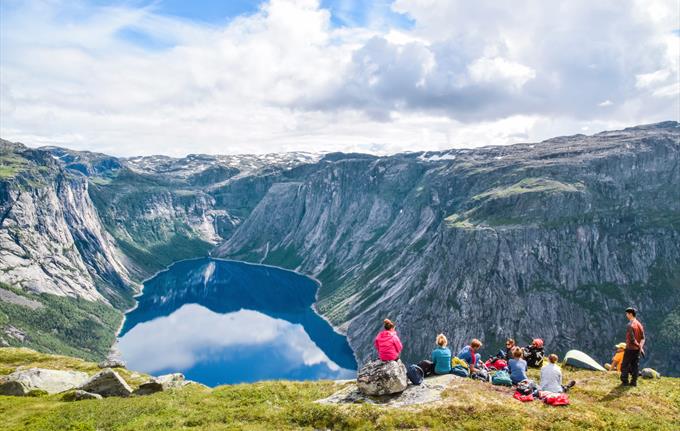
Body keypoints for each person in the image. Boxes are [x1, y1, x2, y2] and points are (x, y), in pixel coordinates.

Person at [621, 307, 645, 387]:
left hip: (630, 349)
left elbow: (632, 339)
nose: (626, 315)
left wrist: (639, 346)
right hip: (637, 350)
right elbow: (643, 338)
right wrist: (640, 347)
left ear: (630, 314)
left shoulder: (630, 325)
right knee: (635, 365)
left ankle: (625, 381)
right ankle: (634, 382)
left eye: (627, 314)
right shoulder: (639, 324)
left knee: (625, 365)